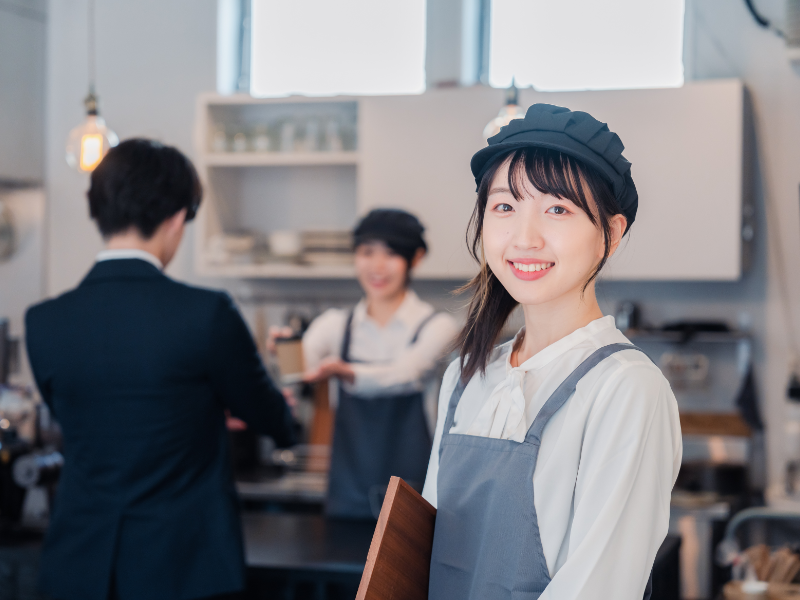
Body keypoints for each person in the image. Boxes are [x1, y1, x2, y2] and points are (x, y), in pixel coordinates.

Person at [422, 104, 682, 600]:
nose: (525, 237)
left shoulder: (625, 388)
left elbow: (599, 587)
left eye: (557, 208)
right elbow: (427, 556)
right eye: (504, 207)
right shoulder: (465, 376)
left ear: (611, 232)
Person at [25, 139, 296, 600]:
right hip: (183, 567)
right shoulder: (206, 313)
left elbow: (86, 415)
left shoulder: (44, 321)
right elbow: (273, 420)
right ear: (175, 220)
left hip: (79, 567)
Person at [300, 209, 458, 519]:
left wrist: (345, 372)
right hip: (347, 495)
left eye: (391, 254)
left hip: (414, 498)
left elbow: (407, 374)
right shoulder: (334, 325)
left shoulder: (438, 327)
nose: (377, 266)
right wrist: (285, 347)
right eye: (367, 252)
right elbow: (297, 369)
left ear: (416, 258)